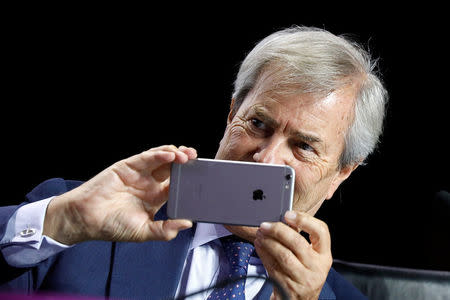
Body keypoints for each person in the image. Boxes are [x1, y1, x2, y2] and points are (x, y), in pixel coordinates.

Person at [0, 26, 387, 300]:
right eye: (257, 124)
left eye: (303, 146)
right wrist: (63, 221)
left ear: (342, 172)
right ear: (231, 113)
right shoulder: (75, 216)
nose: (267, 159)